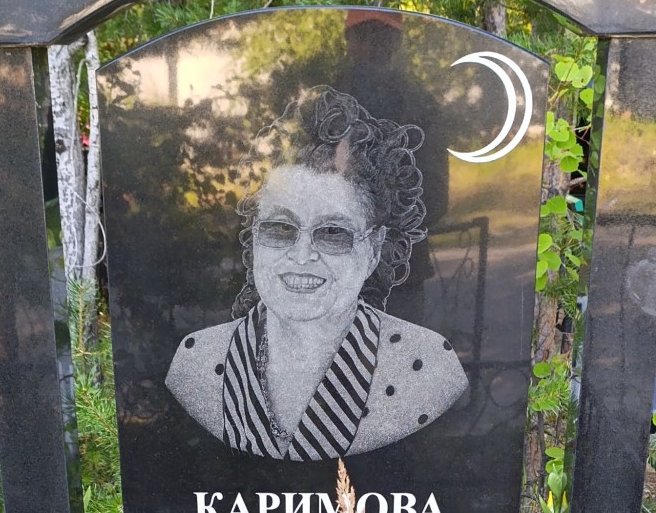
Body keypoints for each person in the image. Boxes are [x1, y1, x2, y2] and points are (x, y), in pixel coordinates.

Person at [165, 87, 467, 460]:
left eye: (333, 232)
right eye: (280, 228)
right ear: (254, 235)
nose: (302, 255)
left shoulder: (426, 367)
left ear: (374, 249)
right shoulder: (197, 360)